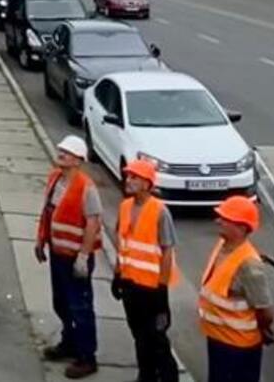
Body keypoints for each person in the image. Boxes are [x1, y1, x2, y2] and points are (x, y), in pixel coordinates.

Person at [35, 134, 103, 378]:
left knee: (80, 307)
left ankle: (87, 357)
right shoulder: (55, 179)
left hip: (75, 258)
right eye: (61, 150)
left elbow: (93, 223)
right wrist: (40, 240)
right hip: (57, 253)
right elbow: (48, 212)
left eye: (67, 152)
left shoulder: (87, 188)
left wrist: (83, 257)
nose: (61, 154)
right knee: (61, 302)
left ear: (78, 160)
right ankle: (69, 342)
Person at [112, 157, 179, 382]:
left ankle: (168, 378)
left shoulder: (160, 212)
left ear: (147, 183)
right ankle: (146, 376)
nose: (128, 180)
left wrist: (162, 288)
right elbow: (122, 242)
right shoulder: (124, 207)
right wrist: (117, 273)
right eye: (128, 176)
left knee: (156, 339)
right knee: (139, 335)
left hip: (151, 289)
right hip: (130, 285)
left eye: (134, 177)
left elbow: (167, 252)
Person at [200, 195, 274, 382]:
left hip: (237, 346)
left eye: (225, 219)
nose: (218, 221)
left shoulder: (249, 265)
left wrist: (264, 329)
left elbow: (265, 310)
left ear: (241, 228)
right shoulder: (223, 245)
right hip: (218, 339)